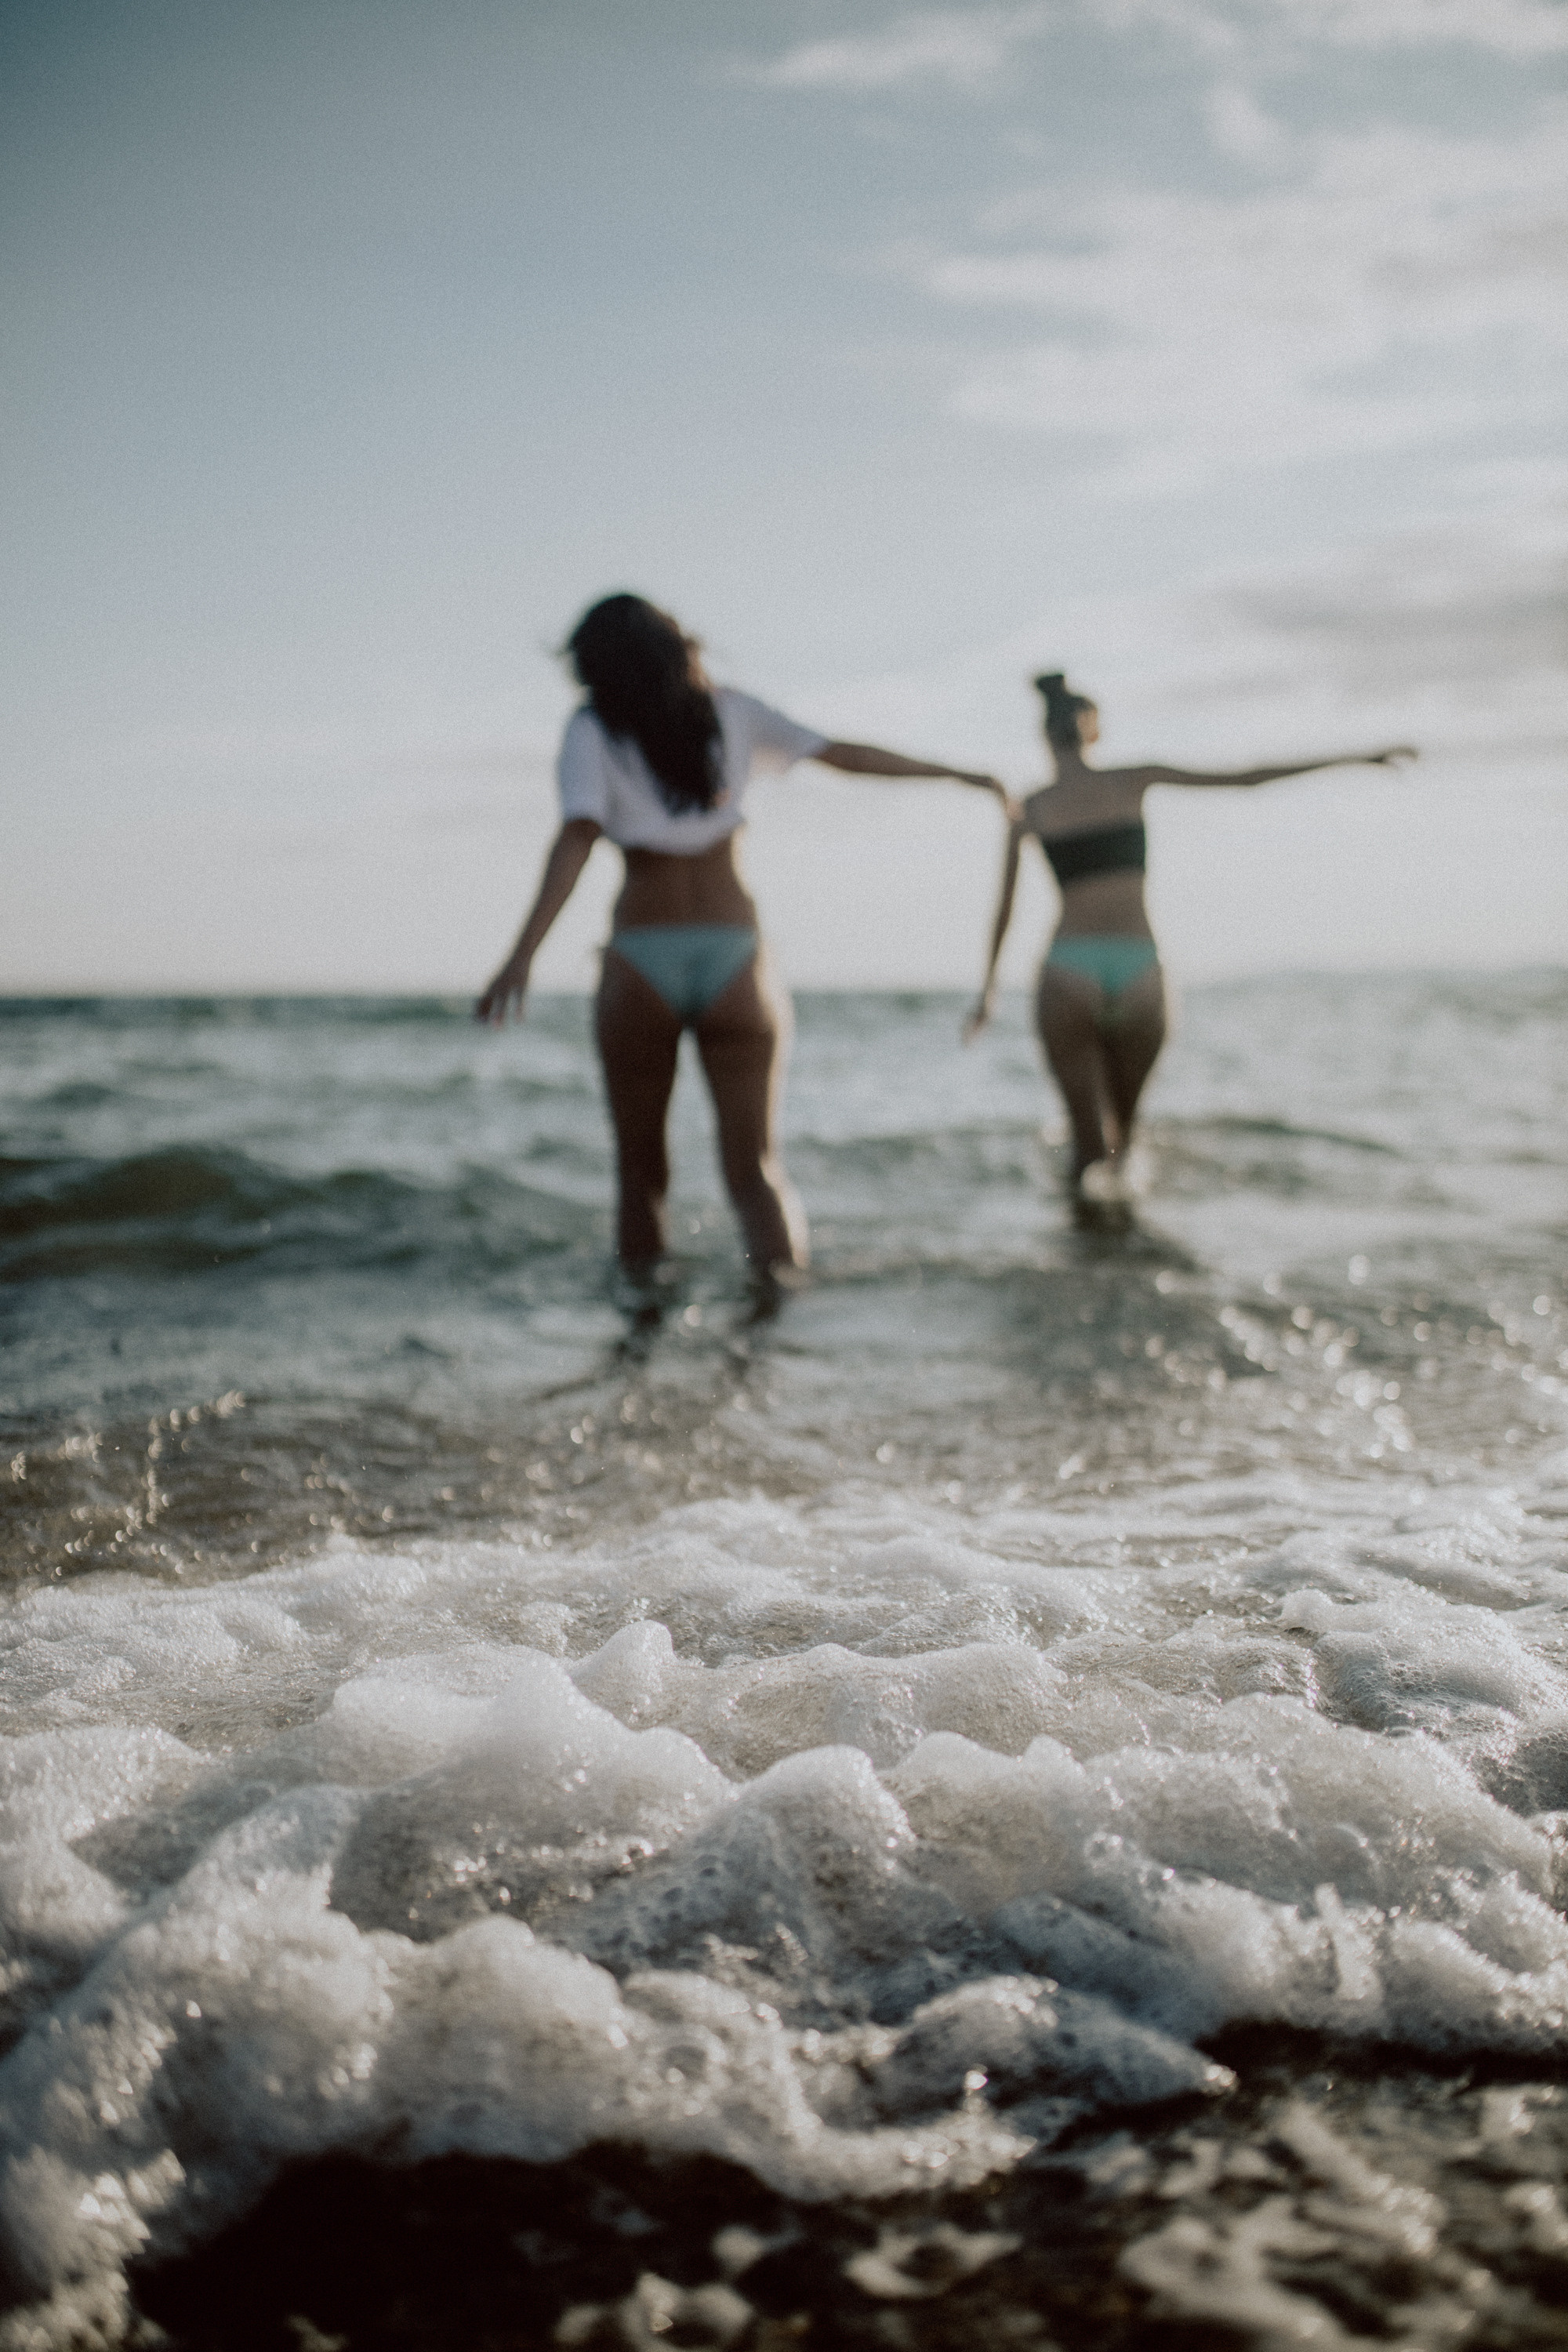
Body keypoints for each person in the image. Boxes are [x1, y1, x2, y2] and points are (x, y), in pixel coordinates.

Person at [477, 593, 1009, 1279]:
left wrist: (520, 958)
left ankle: (636, 1358)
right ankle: (773, 1348)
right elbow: (839, 752)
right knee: (757, 1171)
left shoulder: (591, 729)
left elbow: (577, 834)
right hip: (736, 957)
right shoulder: (731, 710)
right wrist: (957, 772)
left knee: (640, 1178)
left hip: (641, 956)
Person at [965, 671, 1416, 1208]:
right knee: (1124, 1148)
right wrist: (1358, 758)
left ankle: (1082, 1270)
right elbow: (1248, 778)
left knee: (1085, 1154)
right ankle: (1133, 1269)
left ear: (1045, 737)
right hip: (1138, 968)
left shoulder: (1031, 807)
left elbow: (1005, 909)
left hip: (1068, 970)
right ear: (1091, 732)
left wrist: (988, 993)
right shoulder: (1133, 779)